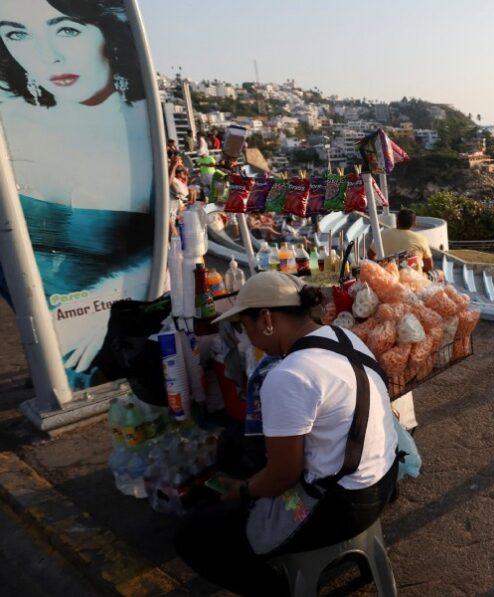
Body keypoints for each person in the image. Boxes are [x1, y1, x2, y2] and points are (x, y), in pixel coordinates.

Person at [175, 272, 399, 595]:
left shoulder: (289, 375)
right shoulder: (344, 336)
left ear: (267, 319)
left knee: (192, 536)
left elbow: (283, 475)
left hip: (343, 506)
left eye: (246, 327)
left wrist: (242, 491)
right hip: (384, 480)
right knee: (239, 449)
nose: (250, 339)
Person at [0, 0, 155, 384]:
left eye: (67, 29)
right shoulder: (11, 128)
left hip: (112, 337)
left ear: (108, 32)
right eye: (17, 34)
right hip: (49, 339)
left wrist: (108, 308)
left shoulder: (144, 135)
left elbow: (166, 243)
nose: (47, 56)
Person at [378, 208, 434, 273]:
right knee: (439, 273)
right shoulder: (421, 239)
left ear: (396, 221)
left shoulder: (383, 234)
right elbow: (429, 266)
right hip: (413, 277)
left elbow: (370, 255)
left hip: (389, 275)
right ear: (414, 224)